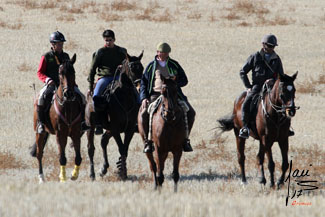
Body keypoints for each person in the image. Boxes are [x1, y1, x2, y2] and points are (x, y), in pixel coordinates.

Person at [139, 42, 195, 153]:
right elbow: (143, 83)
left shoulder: (174, 64)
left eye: (164, 53)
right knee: (145, 113)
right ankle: (148, 141)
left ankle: (185, 139)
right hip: (155, 94)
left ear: (168, 53)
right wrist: (144, 98)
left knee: (190, 112)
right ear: (157, 52)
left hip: (173, 94)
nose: (162, 54)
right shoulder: (151, 66)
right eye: (160, 52)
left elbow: (185, 80)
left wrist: (174, 83)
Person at [239, 34, 294, 139]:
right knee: (247, 103)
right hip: (257, 87)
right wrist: (248, 86)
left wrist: (273, 81)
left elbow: (281, 76)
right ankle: (245, 127)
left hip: (272, 88)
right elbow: (242, 72)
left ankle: (287, 128)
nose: (271, 48)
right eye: (269, 46)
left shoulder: (277, 59)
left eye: (273, 46)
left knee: (284, 103)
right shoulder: (255, 57)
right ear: (263, 45)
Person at [36, 31, 89, 134]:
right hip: (51, 84)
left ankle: (83, 122)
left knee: (82, 97)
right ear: (53, 44)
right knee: (41, 97)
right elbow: (40, 72)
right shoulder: (46, 56)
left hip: (66, 85)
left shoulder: (66, 56)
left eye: (62, 44)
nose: (61, 46)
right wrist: (48, 80)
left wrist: (73, 83)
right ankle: (41, 124)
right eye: (58, 44)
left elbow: (69, 72)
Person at [87, 29, 127, 135]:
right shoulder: (100, 52)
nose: (108, 42)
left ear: (114, 39)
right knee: (96, 97)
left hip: (118, 77)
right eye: (106, 40)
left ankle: (135, 121)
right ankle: (99, 123)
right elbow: (92, 69)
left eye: (110, 40)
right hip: (104, 78)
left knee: (134, 94)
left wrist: (123, 67)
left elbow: (128, 65)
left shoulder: (122, 51)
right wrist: (90, 86)